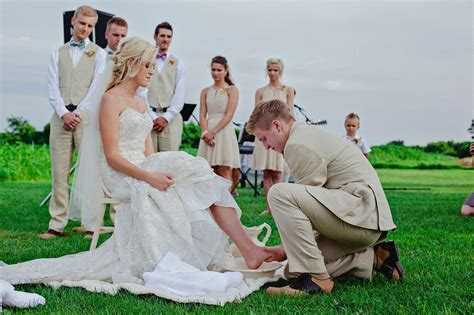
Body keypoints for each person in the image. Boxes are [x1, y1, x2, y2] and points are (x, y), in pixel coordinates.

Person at [0, 38, 274, 305]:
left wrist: (162, 171)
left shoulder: (142, 103)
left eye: (153, 66)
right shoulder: (110, 100)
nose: (152, 71)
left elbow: (150, 155)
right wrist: (150, 176)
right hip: (121, 172)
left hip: (143, 166)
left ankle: (246, 249)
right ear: (131, 64)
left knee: (196, 174)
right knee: (190, 174)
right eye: (148, 66)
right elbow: (112, 156)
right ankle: (244, 249)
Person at [246, 99, 403, 296]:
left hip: (359, 218)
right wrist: (285, 250)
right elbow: (314, 207)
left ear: (276, 126)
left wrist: (290, 249)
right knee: (291, 269)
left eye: (263, 138)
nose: (265, 146)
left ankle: (318, 278)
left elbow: (305, 213)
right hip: (363, 222)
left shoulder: (297, 144)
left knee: (278, 193)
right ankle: (376, 258)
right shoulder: (303, 135)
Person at [39, 5, 106, 240]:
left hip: (85, 118)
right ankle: (56, 224)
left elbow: (96, 87)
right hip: (60, 119)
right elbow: (52, 86)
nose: (85, 29)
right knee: (59, 172)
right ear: (73, 22)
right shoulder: (57, 53)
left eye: (90, 26)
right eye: (82, 24)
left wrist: (78, 112)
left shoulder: (99, 54)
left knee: (89, 171)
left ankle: (91, 223)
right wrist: (63, 113)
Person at [251, 58, 294, 216]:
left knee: (278, 172)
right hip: (264, 135)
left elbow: (290, 114)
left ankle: (280, 206)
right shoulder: (260, 92)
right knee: (267, 173)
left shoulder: (288, 90)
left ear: (280, 71)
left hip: (280, 135)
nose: (272, 73)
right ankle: (269, 208)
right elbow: (255, 114)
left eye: (275, 70)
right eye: (270, 69)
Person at [137, 22, 185, 152]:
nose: (166, 39)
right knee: (149, 160)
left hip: (171, 119)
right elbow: (141, 91)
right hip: (148, 116)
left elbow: (179, 94)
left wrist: (166, 118)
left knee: (170, 161)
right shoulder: (145, 60)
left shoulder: (178, 63)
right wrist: (152, 117)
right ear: (155, 36)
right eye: (162, 35)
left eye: (169, 36)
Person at [197, 56, 240, 181]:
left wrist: (213, 133)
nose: (216, 73)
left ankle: (224, 200)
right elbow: (202, 114)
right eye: (213, 70)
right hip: (207, 131)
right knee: (207, 172)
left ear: (226, 71)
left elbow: (229, 114)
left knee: (223, 170)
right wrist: (205, 133)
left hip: (223, 131)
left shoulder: (232, 90)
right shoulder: (205, 91)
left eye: (219, 70)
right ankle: (210, 201)